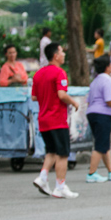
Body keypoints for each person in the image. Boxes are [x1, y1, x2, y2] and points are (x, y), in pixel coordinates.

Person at [32, 42, 81, 199]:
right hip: (57, 119)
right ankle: (60, 186)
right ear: (55, 56)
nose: (64, 54)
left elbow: (34, 96)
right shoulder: (59, 73)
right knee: (62, 154)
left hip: (43, 119)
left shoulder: (38, 74)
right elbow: (61, 94)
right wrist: (73, 102)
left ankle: (43, 177)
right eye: (61, 52)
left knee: (51, 151)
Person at [85, 55, 111, 182]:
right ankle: (92, 173)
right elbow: (109, 100)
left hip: (92, 113)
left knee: (104, 143)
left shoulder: (94, 81)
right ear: (107, 67)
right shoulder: (107, 80)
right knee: (100, 145)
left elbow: (89, 102)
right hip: (103, 114)